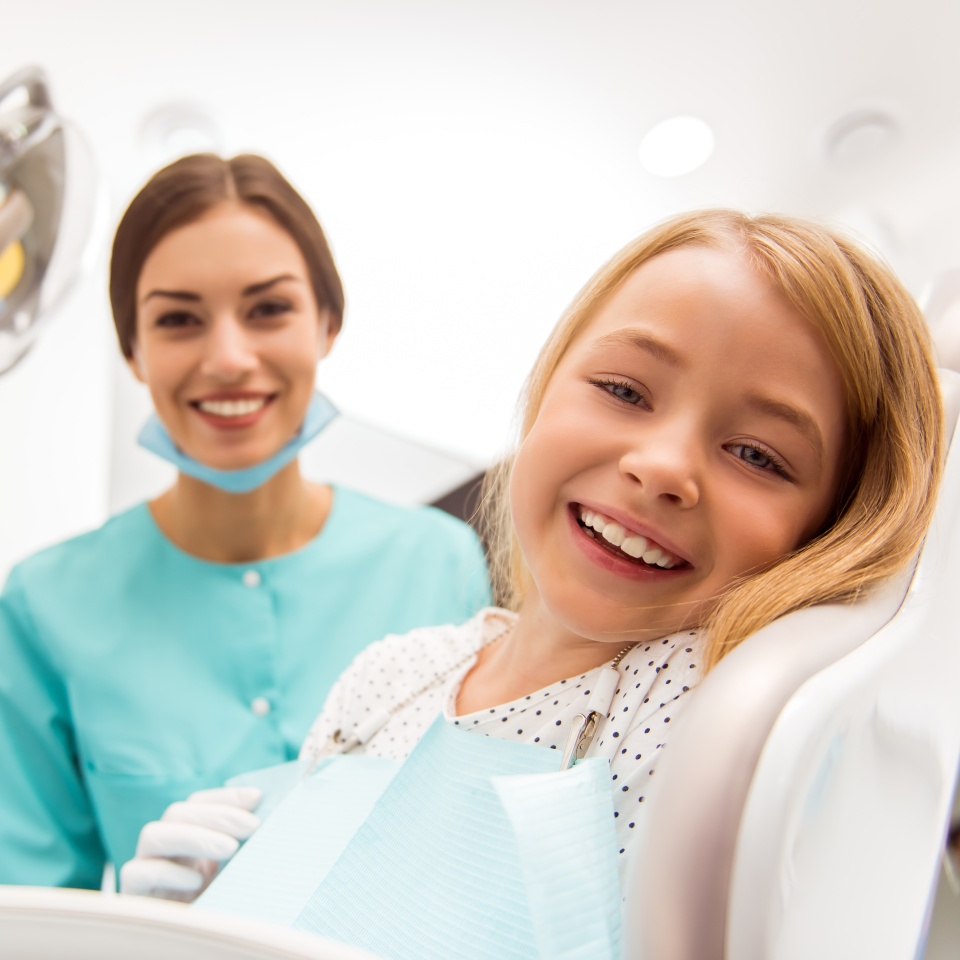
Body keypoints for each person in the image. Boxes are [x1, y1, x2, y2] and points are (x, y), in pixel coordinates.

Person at [121, 209, 943, 920]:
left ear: (831, 531)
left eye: (758, 454)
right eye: (624, 390)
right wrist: (208, 914)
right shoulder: (389, 677)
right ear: (546, 387)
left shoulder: (714, 716)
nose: (661, 466)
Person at [0, 153, 491, 890]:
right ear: (133, 351)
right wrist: (135, 927)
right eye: (178, 319)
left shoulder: (438, 563)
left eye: (268, 310)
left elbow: (477, 852)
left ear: (327, 323)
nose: (229, 358)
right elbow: (29, 917)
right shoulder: (46, 606)